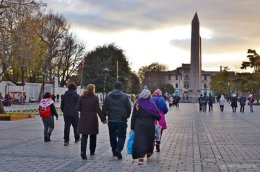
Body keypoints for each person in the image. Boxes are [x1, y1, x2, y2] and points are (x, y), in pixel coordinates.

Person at [102, 82, 132, 160]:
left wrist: (104, 118)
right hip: (122, 120)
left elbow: (104, 108)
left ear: (114, 87)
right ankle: (118, 149)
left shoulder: (108, 97)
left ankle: (114, 150)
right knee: (122, 136)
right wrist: (127, 116)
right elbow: (129, 108)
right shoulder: (125, 97)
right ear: (120, 88)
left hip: (111, 119)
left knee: (112, 136)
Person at [76, 84, 107, 160]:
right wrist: (103, 119)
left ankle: (83, 152)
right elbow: (98, 109)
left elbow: (78, 108)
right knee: (93, 136)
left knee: (84, 136)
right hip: (93, 119)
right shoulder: (95, 98)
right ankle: (92, 151)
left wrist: (83, 111)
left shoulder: (81, 97)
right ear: (93, 89)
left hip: (83, 118)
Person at [131, 88, 161, 165]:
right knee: (149, 140)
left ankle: (141, 159)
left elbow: (133, 116)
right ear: (149, 96)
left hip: (139, 125)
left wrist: (132, 127)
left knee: (140, 141)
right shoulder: (152, 104)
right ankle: (148, 152)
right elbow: (158, 116)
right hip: (149, 125)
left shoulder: (137, 103)